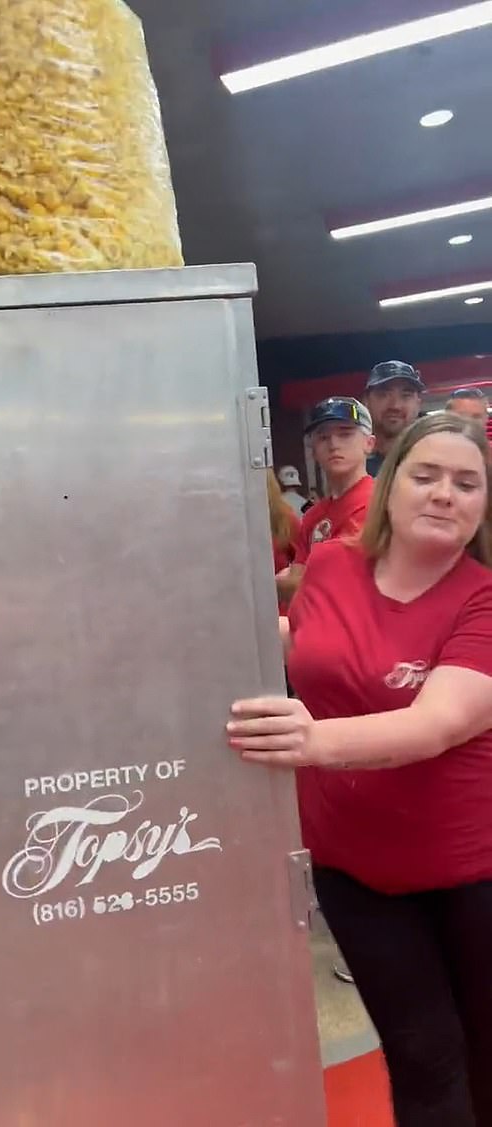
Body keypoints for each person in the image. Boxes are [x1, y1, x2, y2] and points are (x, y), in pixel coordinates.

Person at [228, 412, 492, 1127]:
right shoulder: (332, 564)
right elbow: (306, 642)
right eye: (427, 475)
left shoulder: (483, 598)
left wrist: (306, 741)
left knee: (484, 1050)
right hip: (353, 870)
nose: (444, 493)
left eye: (467, 483)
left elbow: (435, 724)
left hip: (473, 873)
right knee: (423, 1054)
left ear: (483, 505)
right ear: (390, 484)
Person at [276, 397, 374, 604]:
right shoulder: (313, 516)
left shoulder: (380, 504)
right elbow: (299, 583)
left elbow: (346, 588)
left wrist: (287, 582)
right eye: (323, 437)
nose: (333, 444)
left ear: (369, 443)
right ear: (313, 450)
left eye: (345, 434)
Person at [365, 360, 425, 477]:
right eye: (383, 394)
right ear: (366, 401)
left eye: (406, 395)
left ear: (418, 403)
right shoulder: (353, 464)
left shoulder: (436, 458)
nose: (395, 405)